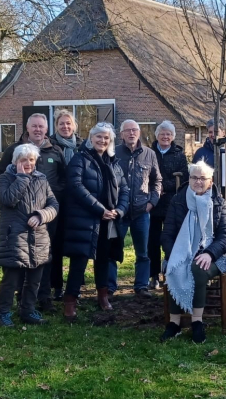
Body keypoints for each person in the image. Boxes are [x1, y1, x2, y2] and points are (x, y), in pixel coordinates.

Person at [0, 113, 66, 313]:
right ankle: (14, 303)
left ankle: (42, 298)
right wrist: (16, 183)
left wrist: (46, 210)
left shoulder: (55, 151)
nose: (38, 130)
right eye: (34, 126)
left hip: (43, 217)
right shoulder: (13, 151)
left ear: (46, 129)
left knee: (42, 258)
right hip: (17, 221)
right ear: (27, 128)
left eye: (41, 126)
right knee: (17, 263)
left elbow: (62, 179)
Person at [160, 161, 226, 344]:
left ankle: (197, 322)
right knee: (177, 266)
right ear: (189, 179)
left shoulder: (218, 201)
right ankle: (174, 324)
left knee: (197, 268)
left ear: (210, 180)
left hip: (211, 255)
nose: (198, 182)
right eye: (194, 177)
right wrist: (175, 254)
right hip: (180, 252)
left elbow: (225, 235)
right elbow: (167, 234)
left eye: (203, 178)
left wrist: (209, 253)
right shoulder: (178, 200)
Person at [63, 123, 129, 319]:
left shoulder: (113, 163)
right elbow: (75, 187)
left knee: (104, 260)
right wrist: (100, 210)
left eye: (106, 138)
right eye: (99, 137)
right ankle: (70, 301)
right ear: (91, 138)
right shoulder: (80, 159)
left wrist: (119, 210)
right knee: (79, 262)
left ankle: (103, 296)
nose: (102, 140)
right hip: (85, 220)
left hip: (109, 220)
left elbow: (124, 189)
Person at [107, 119, 162, 297]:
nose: (131, 133)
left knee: (143, 252)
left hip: (141, 212)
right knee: (112, 250)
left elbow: (157, 181)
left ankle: (141, 286)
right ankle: (110, 286)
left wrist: (151, 203)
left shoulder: (149, 154)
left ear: (139, 133)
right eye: (127, 130)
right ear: (121, 134)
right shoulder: (113, 152)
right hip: (119, 212)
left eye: (134, 130)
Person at [47, 109, 85, 301]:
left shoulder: (83, 146)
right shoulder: (49, 146)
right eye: (61, 123)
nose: (65, 126)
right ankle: (57, 286)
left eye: (68, 123)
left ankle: (76, 283)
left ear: (74, 126)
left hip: (78, 203)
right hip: (57, 202)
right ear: (56, 126)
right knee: (57, 244)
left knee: (78, 243)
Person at [148, 120, 189, 290]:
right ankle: (153, 275)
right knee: (153, 241)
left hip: (172, 203)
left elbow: (184, 177)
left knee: (171, 238)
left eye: (169, 134)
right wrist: (155, 189)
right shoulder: (149, 153)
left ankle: (171, 272)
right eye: (162, 134)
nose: (165, 137)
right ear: (157, 136)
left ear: (173, 137)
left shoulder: (179, 155)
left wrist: (164, 186)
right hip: (153, 203)